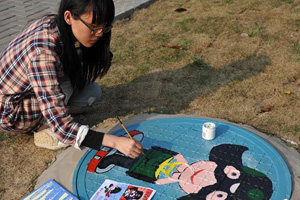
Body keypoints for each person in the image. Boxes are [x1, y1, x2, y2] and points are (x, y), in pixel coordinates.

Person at [0, 0, 143, 158]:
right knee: (65, 103)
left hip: (25, 93)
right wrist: (115, 142)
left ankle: (52, 113)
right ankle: (42, 129)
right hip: (11, 112)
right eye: (93, 28)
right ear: (69, 17)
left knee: (92, 92)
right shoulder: (43, 54)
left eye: (105, 27)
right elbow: (63, 126)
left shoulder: (56, 24)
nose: (100, 34)